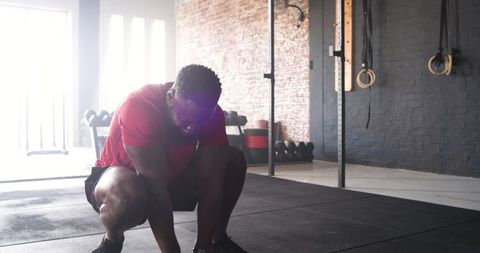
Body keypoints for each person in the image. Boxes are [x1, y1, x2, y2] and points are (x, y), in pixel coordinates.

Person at [85, 64, 248, 253]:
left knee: (233, 160)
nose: (192, 129)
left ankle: (216, 242)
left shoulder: (214, 116)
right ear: (171, 96)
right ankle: (112, 240)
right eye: (186, 119)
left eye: (199, 122)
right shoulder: (139, 107)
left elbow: (211, 184)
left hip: (172, 175)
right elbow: (155, 187)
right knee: (128, 192)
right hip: (119, 181)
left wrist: (203, 247)